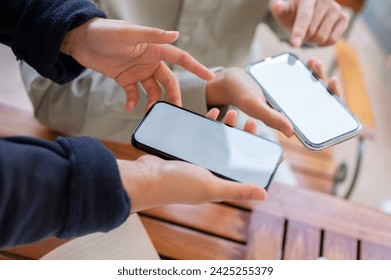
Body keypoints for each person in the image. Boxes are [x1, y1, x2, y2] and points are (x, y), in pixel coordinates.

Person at [0, 0, 267, 249]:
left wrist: (75, 31)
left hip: (241, 133)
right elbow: (55, 101)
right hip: (91, 160)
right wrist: (144, 183)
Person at [19, 0, 347, 188]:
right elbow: (53, 99)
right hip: (104, 141)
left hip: (239, 125)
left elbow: (284, 16)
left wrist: (305, 18)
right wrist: (210, 89)